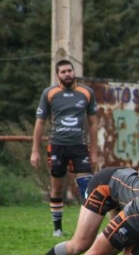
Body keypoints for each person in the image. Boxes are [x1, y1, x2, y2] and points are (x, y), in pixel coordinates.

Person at [30, 59, 99, 237]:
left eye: (69, 70)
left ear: (73, 72)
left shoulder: (86, 92)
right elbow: (39, 123)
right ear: (57, 75)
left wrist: (94, 151)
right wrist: (35, 151)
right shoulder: (49, 93)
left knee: (86, 186)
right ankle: (57, 229)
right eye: (63, 72)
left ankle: (84, 229)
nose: (67, 74)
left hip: (79, 146)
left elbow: (93, 124)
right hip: (57, 146)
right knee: (57, 187)